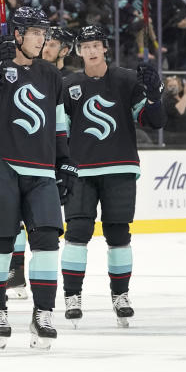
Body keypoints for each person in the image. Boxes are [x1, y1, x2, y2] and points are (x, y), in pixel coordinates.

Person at [0, 6, 78, 349]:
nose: (42, 38)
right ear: (17, 34)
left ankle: (43, 312)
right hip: (2, 165)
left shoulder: (50, 74)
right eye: (35, 32)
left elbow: (59, 123)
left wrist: (65, 162)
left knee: (47, 239)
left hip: (41, 170)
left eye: (44, 33)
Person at [60, 25, 163, 327]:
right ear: (78, 51)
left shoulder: (128, 80)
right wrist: (61, 163)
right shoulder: (68, 85)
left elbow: (152, 121)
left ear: (105, 48)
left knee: (118, 236)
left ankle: (121, 295)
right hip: (80, 171)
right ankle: (72, 296)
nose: (91, 51)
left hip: (120, 167)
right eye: (85, 46)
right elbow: (60, 131)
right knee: (77, 234)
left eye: (96, 45)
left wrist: (155, 95)